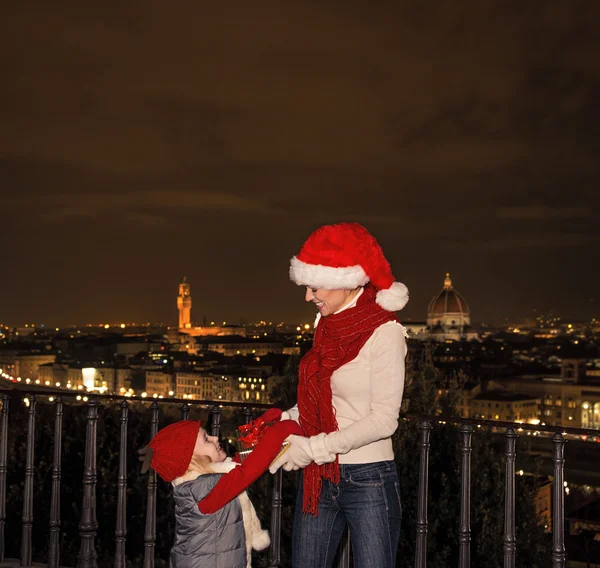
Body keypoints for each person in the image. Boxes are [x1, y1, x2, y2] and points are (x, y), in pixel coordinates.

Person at [269, 222, 409, 568]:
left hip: (369, 480)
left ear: (342, 281)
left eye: (313, 286)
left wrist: (315, 448)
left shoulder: (385, 332)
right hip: (320, 477)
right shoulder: (326, 325)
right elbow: (322, 398)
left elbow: (384, 419)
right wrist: (282, 422)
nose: (307, 297)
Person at [139, 418, 299, 568]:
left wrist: (262, 426)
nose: (215, 438)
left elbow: (241, 461)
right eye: (207, 439)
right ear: (191, 459)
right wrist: (280, 430)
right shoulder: (203, 490)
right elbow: (246, 471)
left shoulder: (199, 484)